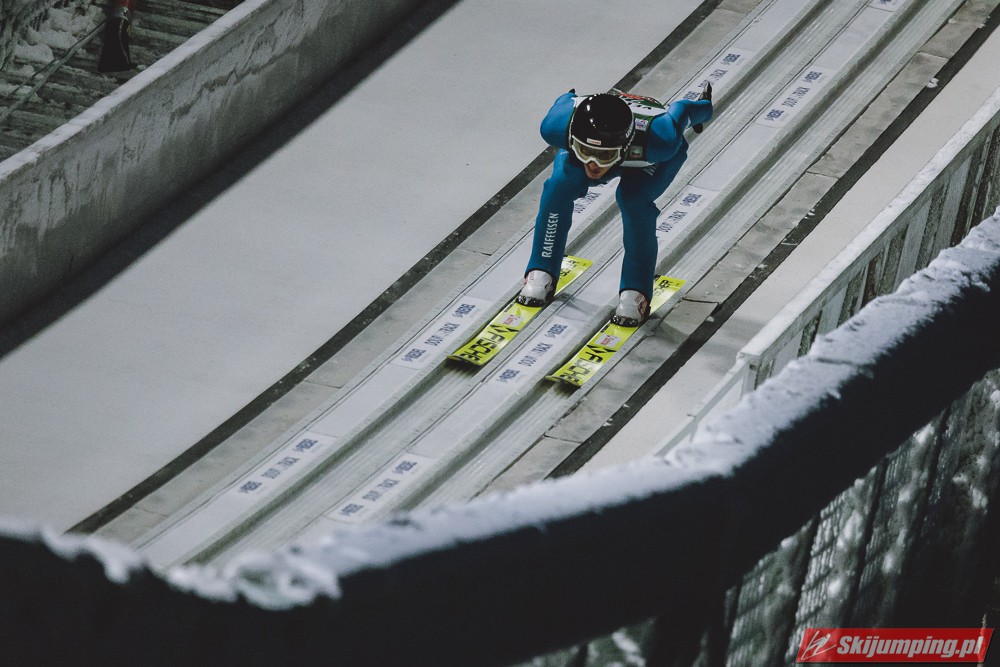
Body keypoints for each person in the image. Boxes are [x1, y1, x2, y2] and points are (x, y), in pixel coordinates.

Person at [517, 84, 713, 326]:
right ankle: (542, 269)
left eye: (604, 156)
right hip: (627, 149)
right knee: (558, 187)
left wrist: (705, 107)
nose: (594, 164)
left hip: (645, 154)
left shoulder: (662, 139)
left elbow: (683, 109)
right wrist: (571, 99)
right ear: (572, 140)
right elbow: (566, 99)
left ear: (624, 146)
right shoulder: (555, 126)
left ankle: (636, 291)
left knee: (634, 200)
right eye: (586, 151)